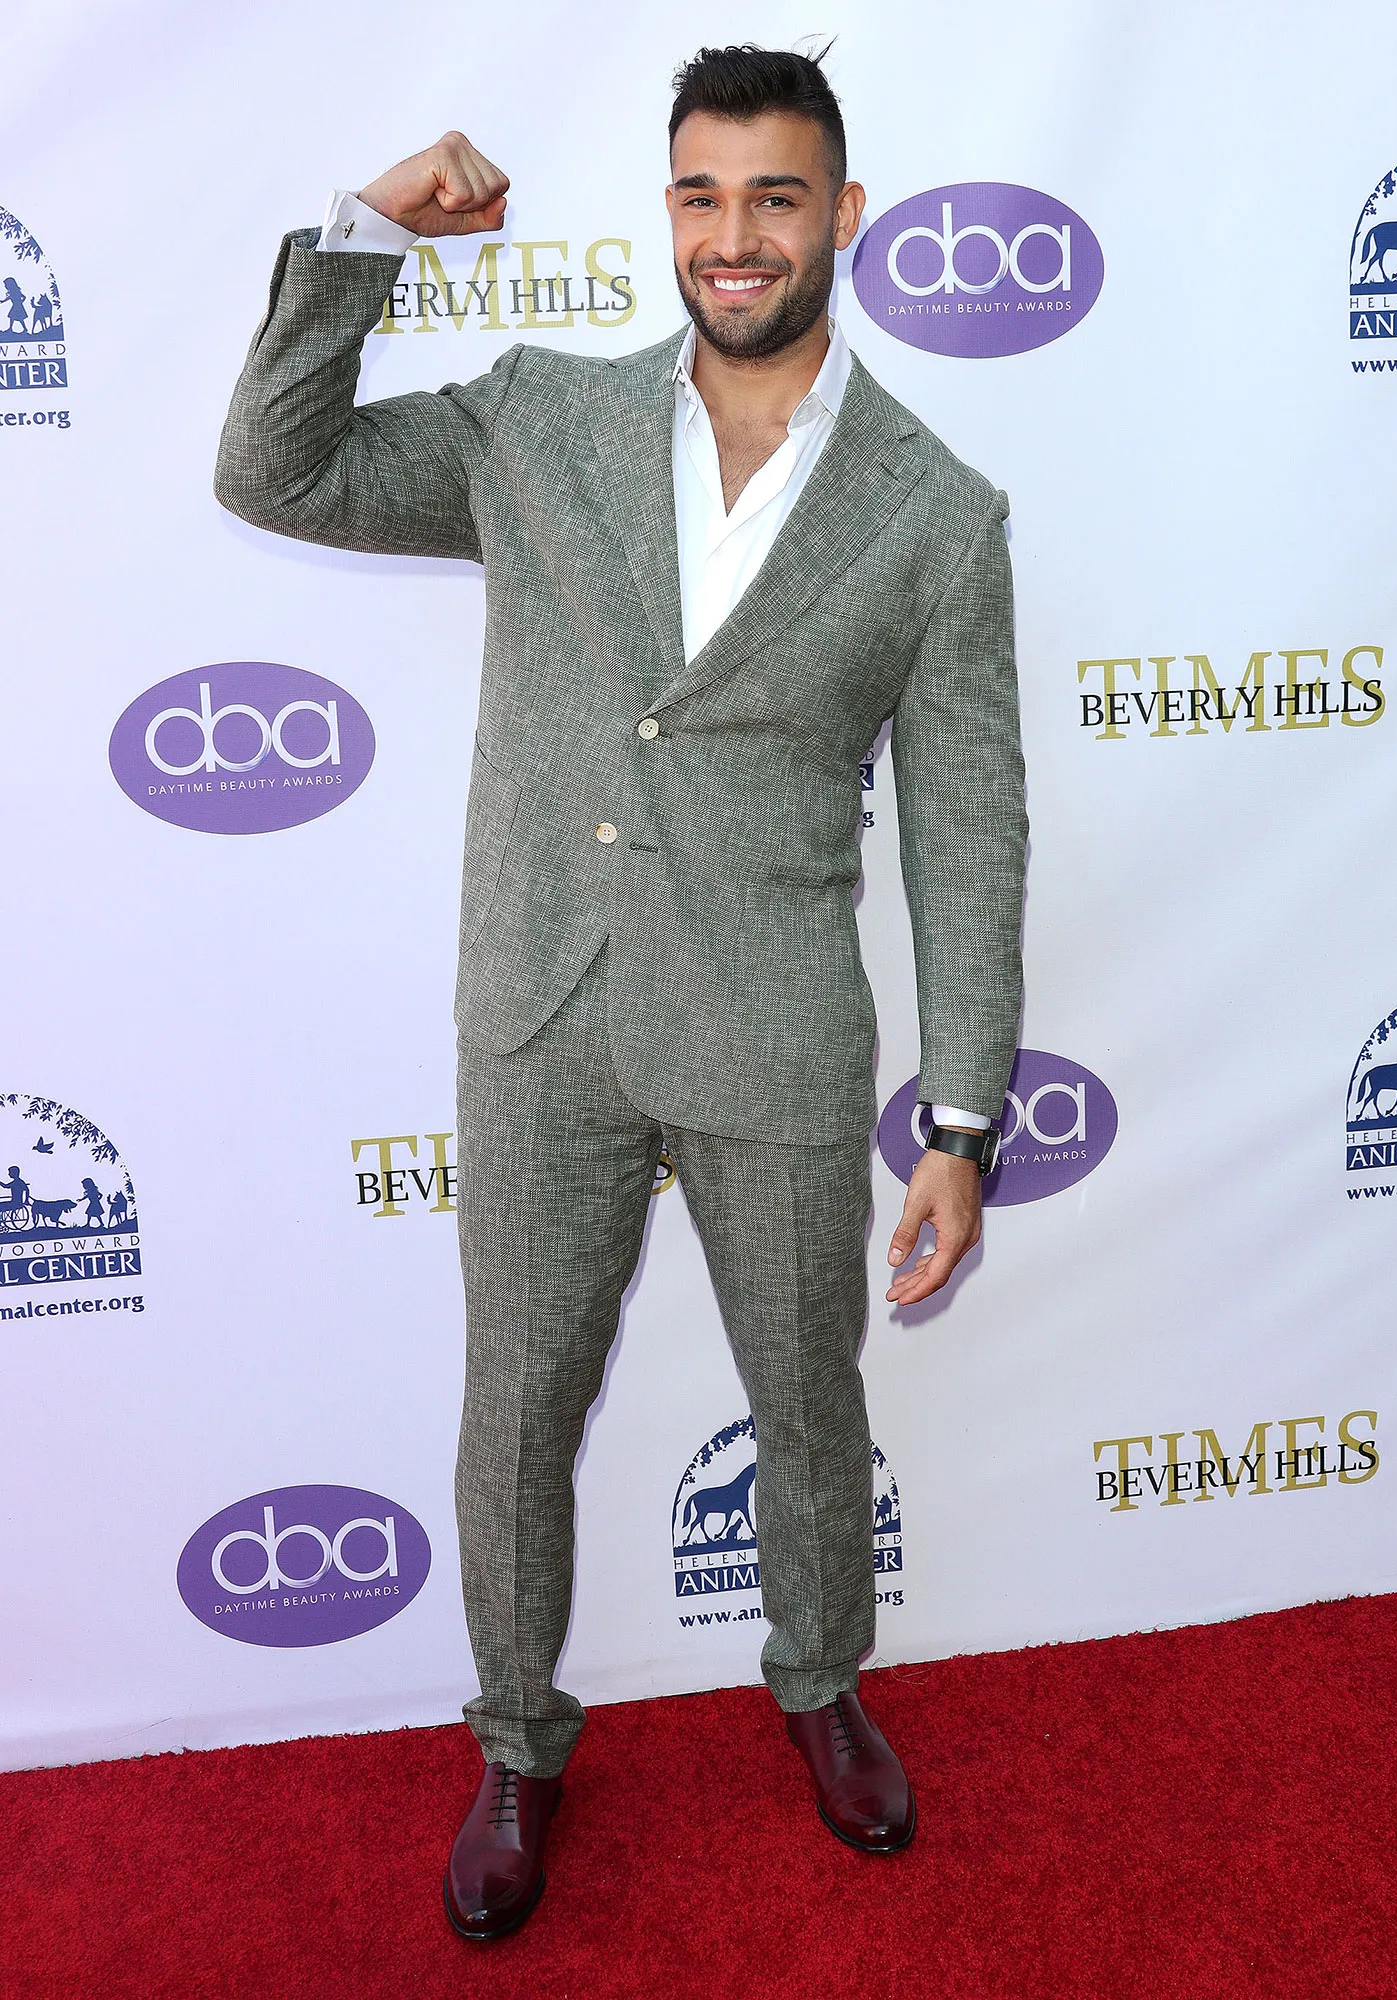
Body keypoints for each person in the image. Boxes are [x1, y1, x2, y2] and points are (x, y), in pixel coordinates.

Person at [216, 43, 1026, 1942]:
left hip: (773, 1022)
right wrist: (365, 234)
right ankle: (515, 1742)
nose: (732, 236)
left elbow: (969, 829)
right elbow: (275, 469)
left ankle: (820, 1684)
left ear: (842, 216)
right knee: (516, 1407)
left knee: (805, 1403)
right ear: (667, 211)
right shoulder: (538, 421)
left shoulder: (936, 511)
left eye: (773, 197)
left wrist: (962, 1119)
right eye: (699, 194)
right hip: (544, 1009)